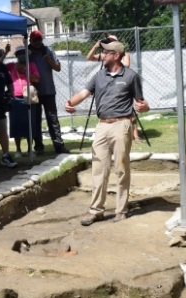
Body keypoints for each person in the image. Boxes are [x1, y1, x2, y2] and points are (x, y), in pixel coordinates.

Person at [65, 39, 150, 225]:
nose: (101, 55)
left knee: (121, 168)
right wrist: (70, 103)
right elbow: (83, 94)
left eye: (106, 53)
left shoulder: (131, 76)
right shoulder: (98, 76)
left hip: (122, 124)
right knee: (98, 169)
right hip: (102, 126)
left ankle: (121, 209)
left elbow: (142, 103)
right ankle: (96, 211)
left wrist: (145, 107)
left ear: (116, 55)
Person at [87, 35, 142, 143]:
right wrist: (95, 46)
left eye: (111, 42)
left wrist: (113, 61)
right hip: (107, 84)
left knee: (130, 115)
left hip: (121, 84)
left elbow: (126, 65)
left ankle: (136, 136)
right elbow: (89, 58)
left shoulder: (124, 54)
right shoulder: (105, 55)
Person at [27, 29, 69, 154]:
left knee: (53, 119)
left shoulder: (48, 51)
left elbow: (58, 68)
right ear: (31, 40)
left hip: (48, 90)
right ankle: (38, 147)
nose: (38, 42)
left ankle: (58, 145)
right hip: (33, 91)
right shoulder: (27, 53)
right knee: (35, 120)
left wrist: (49, 61)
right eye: (35, 40)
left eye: (40, 39)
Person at [7, 47, 41, 157]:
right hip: (15, 97)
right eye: (19, 54)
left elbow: (36, 79)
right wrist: (6, 53)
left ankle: (30, 149)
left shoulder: (31, 65)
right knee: (16, 124)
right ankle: (18, 149)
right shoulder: (12, 65)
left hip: (28, 97)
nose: (22, 55)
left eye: (24, 53)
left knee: (29, 124)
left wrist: (25, 71)